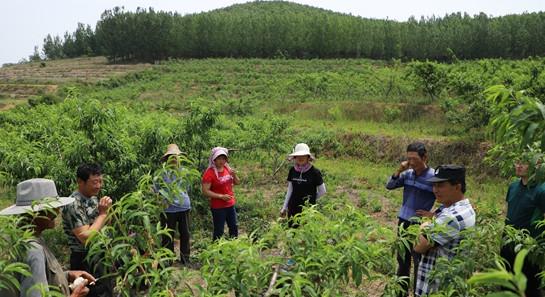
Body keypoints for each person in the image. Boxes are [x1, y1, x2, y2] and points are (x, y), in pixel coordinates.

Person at [0, 178, 95, 297]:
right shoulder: (33, 249)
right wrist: (76, 294)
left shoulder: (14, 238)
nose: (57, 211)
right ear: (36, 212)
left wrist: (65, 276)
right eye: (52, 207)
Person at [413, 165, 476, 296]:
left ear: (457, 187)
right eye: (434, 185)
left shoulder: (451, 216)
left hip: (437, 289)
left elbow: (418, 246)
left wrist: (424, 224)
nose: (435, 190)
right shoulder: (456, 208)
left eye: (440, 185)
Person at [385, 142, 436, 296]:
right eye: (408, 159)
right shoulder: (407, 174)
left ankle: (417, 293)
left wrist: (433, 214)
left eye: (414, 159)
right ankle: (401, 293)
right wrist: (399, 170)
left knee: (419, 262)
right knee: (402, 260)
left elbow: (446, 198)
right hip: (403, 223)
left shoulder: (434, 177)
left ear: (425, 157)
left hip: (420, 226)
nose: (411, 163)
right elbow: (389, 185)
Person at [62, 164, 112, 297]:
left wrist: (109, 215)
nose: (98, 186)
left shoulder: (93, 198)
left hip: (99, 255)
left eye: (100, 181)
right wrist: (102, 214)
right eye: (94, 182)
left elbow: (98, 226)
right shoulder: (73, 203)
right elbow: (85, 237)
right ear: (80, 181)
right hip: (83, 258)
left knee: (105, 290)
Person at [500, 157, 545, 297]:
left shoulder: (541, 190)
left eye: (524, 162)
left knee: (529, 287)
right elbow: (507, 211)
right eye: (517, 162)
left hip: (529, 248)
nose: (518, 165)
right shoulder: (513, 186)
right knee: (506, 284)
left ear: (537, 165)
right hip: (508, 243)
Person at [154, 144, 192, 265]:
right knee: (167, 235)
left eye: (176, 156)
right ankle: (167, 260)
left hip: (184, 207)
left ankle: (185, 258)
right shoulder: (161, 173)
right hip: (168, 209)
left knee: (185, 233)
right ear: (167, 159)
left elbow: (187, 188)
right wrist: (161, 201)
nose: (174, 159)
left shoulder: (185, 172)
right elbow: (156, 190)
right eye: (171, 156)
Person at [280, 143, 326, 227]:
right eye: (298, 156)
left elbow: (322, 191)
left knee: (306, 234)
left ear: (308, 157)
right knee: (292, 233)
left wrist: (311, 200)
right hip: (293, 208)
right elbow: (290, 189)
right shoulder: (292, 171)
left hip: (308, 210)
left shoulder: (315, 172)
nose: (300, 158)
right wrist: (284, 207)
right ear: (294, 158)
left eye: (303, 155)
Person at [202, 147, 240, 240]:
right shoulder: (209, 173)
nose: (221, 161)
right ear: (214, 159)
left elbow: (237, 182)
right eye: (219, 158)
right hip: (218, 207)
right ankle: (217, 251)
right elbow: (205, 191)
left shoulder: (228, 169)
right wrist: (220, 196)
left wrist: (234, 175)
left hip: (230, 204)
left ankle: (233, 247)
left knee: (234, 227)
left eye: (223, 158)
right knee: (219, 230)